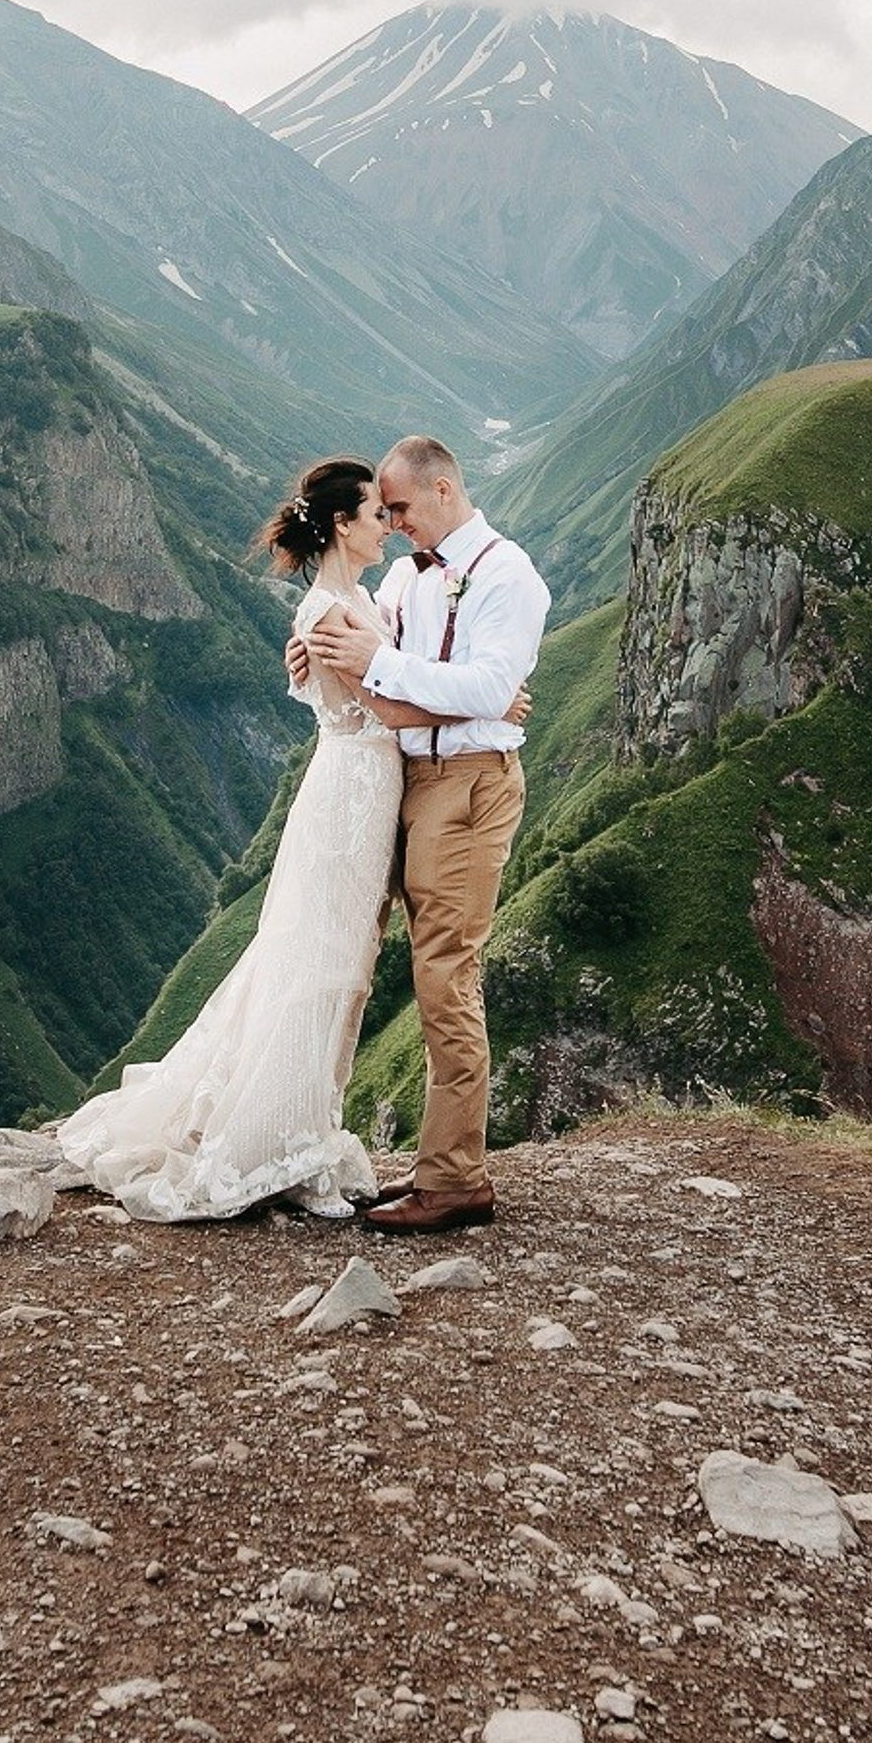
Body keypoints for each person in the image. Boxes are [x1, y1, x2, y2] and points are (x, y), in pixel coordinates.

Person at [54, 457, 515, 1222]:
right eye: (375, 515)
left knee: (337, 964)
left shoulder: (354, 599)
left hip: (366, 791)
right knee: (322, 965)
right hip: (351, 801)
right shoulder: (331, 614)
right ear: (341, 524)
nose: (386, 526)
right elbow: (388, 708)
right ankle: (278, 1141)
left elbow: (385, 673)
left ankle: (300, 1130)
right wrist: (493, 707)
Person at [304, 434, 549, 1235]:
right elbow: (388, 663)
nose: (394, 521)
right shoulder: (409, 580)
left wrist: (383, 664)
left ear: (444, 491)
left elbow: (486, 684)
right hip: (407, 779)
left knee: (447, 972)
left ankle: (455, 1180)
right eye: (384, 510)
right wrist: (326, 651)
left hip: (469, 784)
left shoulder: (509, 575)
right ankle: (434, 1162)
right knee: (381, 957)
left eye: (402, 507)